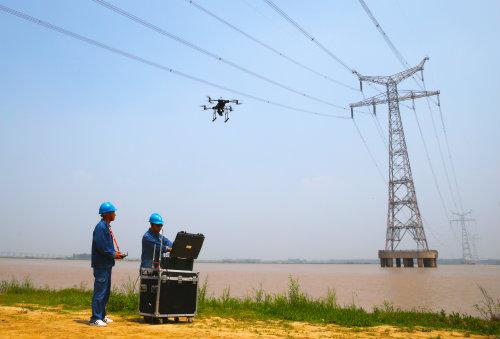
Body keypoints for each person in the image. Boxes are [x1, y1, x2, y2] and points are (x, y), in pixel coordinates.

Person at [89, 202, 126, 327]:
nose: (115, 214)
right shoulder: (100, 227)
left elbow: (107, 247)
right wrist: (114, 254)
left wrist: (116, 253)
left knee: (105, 292)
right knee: (100, 291)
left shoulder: (106, 226)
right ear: (107, 214)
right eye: (113, 212)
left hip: (107, 264)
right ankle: (95, 318)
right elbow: (102, 247)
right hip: (101, 265)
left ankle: (102, 316)